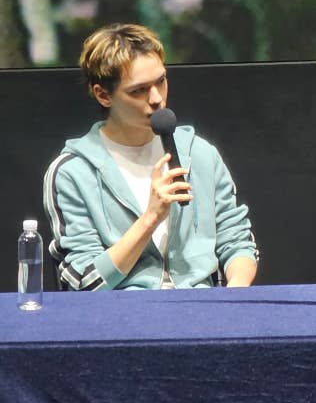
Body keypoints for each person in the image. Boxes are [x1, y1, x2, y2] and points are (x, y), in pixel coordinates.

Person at [43, 23, 258, 290]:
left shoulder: (199, 154)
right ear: (103, 95)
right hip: (122, 310)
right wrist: (150, 218)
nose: (156, 98)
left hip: (202, 304)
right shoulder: (72, 172)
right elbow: (85, 282)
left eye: (161, 81)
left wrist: (234, 292)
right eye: (138, 90)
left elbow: (237, 241)